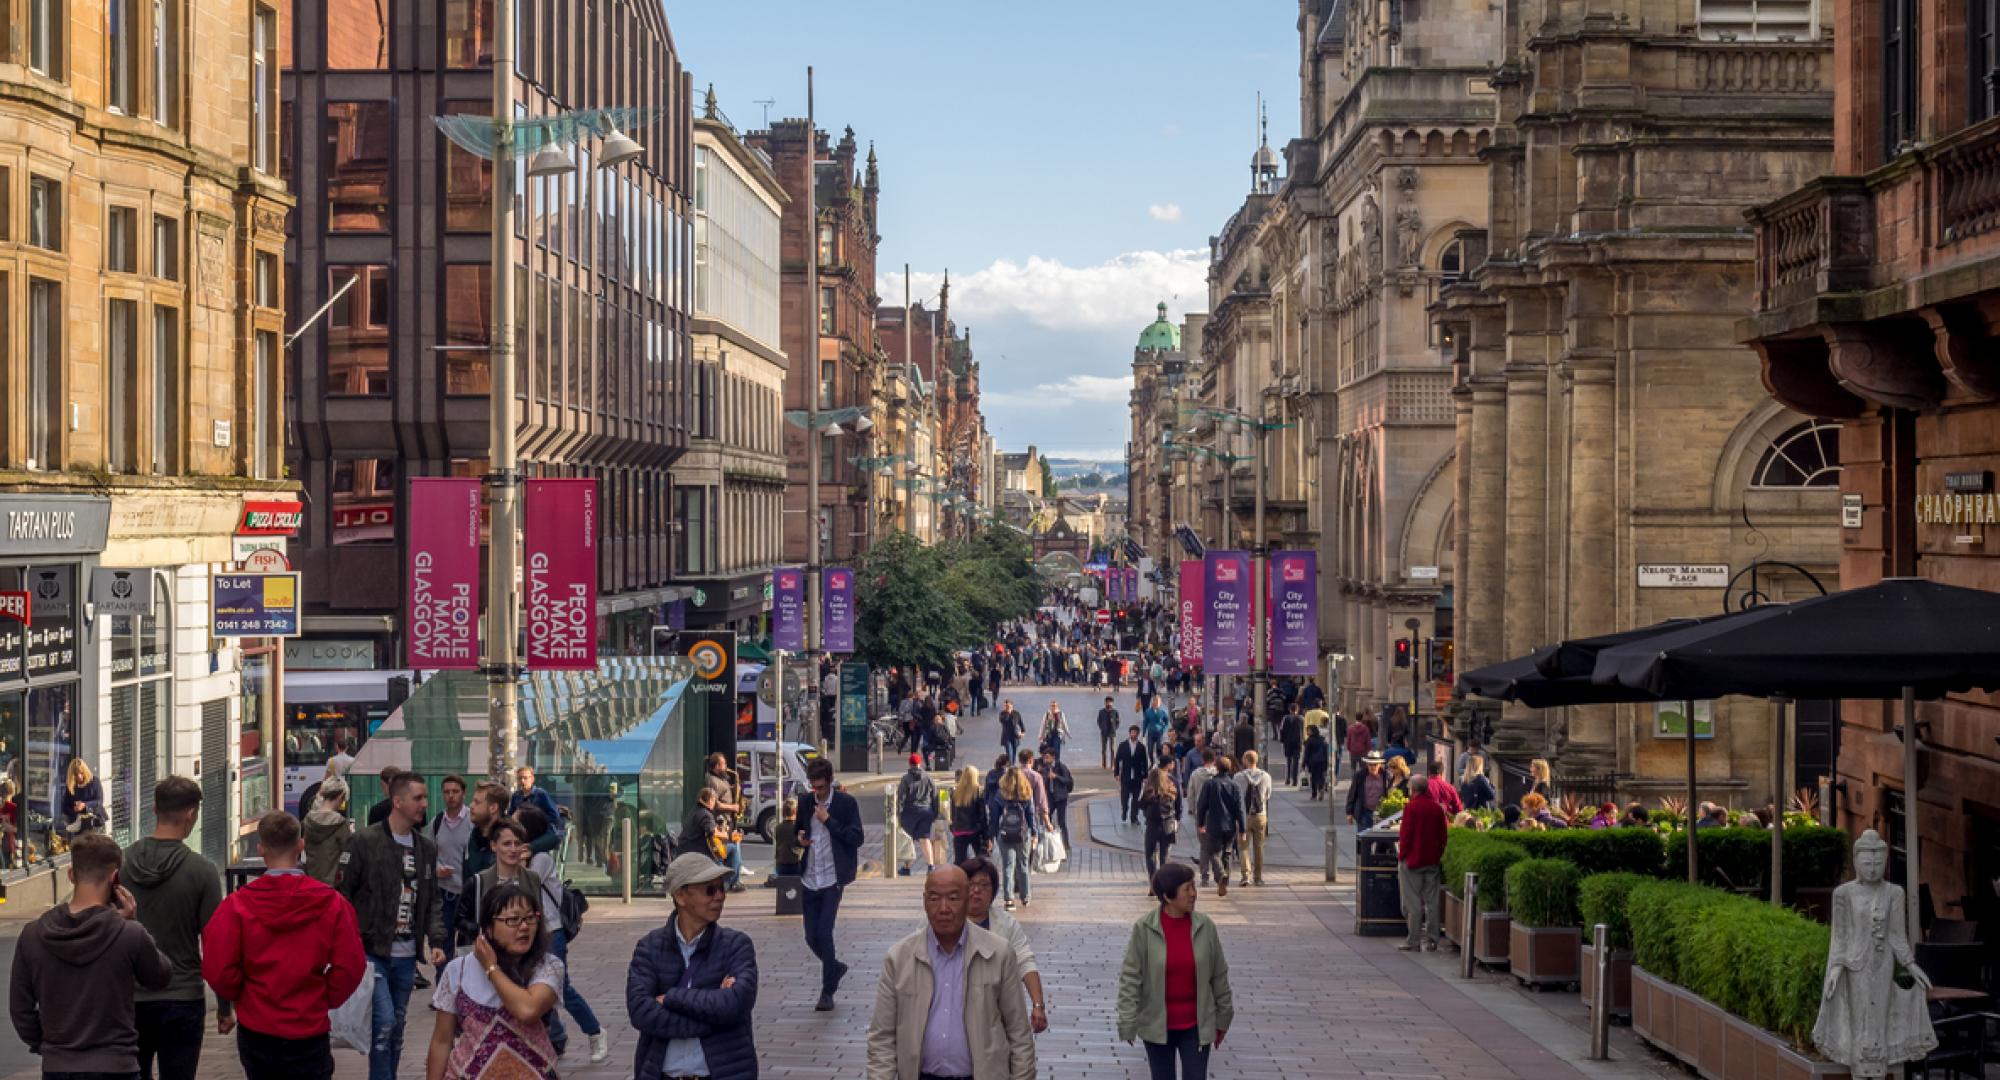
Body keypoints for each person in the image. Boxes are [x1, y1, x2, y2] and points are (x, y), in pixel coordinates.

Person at [203, 811, 367, 1080]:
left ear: (261, 848)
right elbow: (350, 964)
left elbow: (217, 966)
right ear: (300, 846)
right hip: (308, 1024)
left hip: (258, 1024)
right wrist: (325, 996)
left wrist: (241, 993)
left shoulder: (237, 905)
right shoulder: (331, 904)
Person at [9, 832, 172, 1076]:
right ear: (115, 877)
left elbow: (20, 1009)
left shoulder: (33, 935)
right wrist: (135, 923)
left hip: (59, 1066)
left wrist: (47, 1045)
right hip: (116, 1065)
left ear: (71, 875)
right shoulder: (129, 934)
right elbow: (159, 976)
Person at [864, 865, 1036, 1080]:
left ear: (966, 901)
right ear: (924, 901)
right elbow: (882, 1038)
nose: (943, 908)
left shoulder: (998, 953)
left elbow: (1019, 1034)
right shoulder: (899, 958)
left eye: (953, 898)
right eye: (934, 898)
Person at [333, 770, 450, 1080]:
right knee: (384, 1022)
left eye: (425, 797)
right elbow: (341, 895)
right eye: (418, 798)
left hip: (407, 955)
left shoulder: (425, 848)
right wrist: (348, 943)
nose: (425, 803)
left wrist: (436, 941)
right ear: (397, 801)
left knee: (396, 1026)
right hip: (372, 951)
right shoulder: (364, 842)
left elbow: (433, 899)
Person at [123, 776, 229, 1080]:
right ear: (191, 814)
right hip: (182, 995)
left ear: (154, 809)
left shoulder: (123, 862)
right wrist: (224, 1006)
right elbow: (214, 942)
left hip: (130, 998)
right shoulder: (202, 871)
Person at [626, 853, 760, 1080]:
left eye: (722, 889)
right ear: (681, 896)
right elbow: (641, 1013)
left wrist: (670, 999)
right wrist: (713, 1017)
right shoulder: (649, 947)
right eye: (710, 890)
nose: (719, 896)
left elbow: (736, 1003)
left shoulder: (736, 945)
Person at [421, 882, 563, 1079]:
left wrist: (491, 968)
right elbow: (442, 1041)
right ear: (488, 928)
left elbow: (528, 1010)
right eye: (513, 920)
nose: (524, 927)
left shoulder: (548, 966)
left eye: (530, 918)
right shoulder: (458, 970)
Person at [1117, 863, 1233, 1080]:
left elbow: (1219, 975)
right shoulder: (1144, 928)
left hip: (1196, 1026)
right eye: (1187, 888)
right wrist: (1127, 1019)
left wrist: (1224, 1017)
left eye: (1194, 887)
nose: (1193, 894)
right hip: (1157, 1026)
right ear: (1168, 896)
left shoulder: (1205, 927)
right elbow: (1131, 977)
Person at [517, 805, 607, 1063]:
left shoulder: (540, 859)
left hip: (550, 932)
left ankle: (595, 1031)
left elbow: (525, 883)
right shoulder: (530, 855)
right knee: (536, 988)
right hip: (531, 933)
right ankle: (554, 1038)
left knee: (561, 989)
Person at [795, 758, 864, 1011]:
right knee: (810, 936)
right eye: (814, 788)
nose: (818, 793)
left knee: (825, 932)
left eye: (822, 788)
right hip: (810, 877)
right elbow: (799, 830)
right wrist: (800, 838)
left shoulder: (846, 804)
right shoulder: (805, 802)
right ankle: (834, 967)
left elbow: (857, 838)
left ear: (830, 782)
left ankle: (827, 992)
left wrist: (827, 821)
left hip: (833, 878)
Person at [1397, 775, 1449, 952]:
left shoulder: (1411, 808)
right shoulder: (1436, 808)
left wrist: (1401, 856)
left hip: (1412, 860)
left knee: (1412, 903)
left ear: (1413, 789)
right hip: (1431, 860)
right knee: (1432, 901)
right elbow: (1443, 835)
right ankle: (1433, 939)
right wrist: (1438, 854)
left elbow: (1406, 835)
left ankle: (1413, 940)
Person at [431, 775, 474, 962]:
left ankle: (465, 985)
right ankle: (445, 981)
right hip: (444, 892)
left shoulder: (472, 820)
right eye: (447, 792)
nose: (451, 796)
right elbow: (430, 853)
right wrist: (436, 869)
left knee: (466, 945)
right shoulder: (437, 821)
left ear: (464, 793)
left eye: (455, 792)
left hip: (466, 893)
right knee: (444, 942)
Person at [1194, 756, 1243, 897]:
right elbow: (1240, 808)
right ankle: (1224, 881)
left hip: (1214, 824)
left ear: (1216, 767)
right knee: (1227, 853)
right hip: (1230, 825)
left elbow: (1202, 805)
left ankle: (1221, 875)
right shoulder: (1234, 785)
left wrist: (1201, 823)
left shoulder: (1210, 784)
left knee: (1213, 852)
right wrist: (1243, 827)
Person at [993, 766, 1040, 911]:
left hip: (1005, 834)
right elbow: (1031, 815)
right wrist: (1034, 834)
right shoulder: (1026, 793)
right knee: (1024, 865)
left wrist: (994, 833)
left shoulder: (1001, 794)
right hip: (1022, 834)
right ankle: (1025, 897)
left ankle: (1009, 899)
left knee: (1008, 866)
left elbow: (994, 817)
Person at [702, 754, 747, 887]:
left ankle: (734, 879)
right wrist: (733, 807)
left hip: (728, 819)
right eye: (724, 764)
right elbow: (715, 804)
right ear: (717, 766)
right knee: (726, 850)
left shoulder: (721, 778)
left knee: (733, 847)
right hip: (722, 821)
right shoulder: (712, 781)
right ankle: (731, 881)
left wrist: (733, 789)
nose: (727, 767)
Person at [895, 754, 940, 877]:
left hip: (909, 813)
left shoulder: (905, 779)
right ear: (920, 764)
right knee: (925, 839)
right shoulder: (928, 778)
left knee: (908, 839)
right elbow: (935, 796)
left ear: (910, 764)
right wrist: (935, 812)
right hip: (926, 811)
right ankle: (931, 866)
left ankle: (906, 867)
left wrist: (898, 814)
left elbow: (900, 799)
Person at [303, 777, 353, 884]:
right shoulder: (340, 823)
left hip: (311, 881)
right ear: (341, 796)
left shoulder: (308, 819)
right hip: (332, 884)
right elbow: (349, 851)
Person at [1234, 751, 1273, 888]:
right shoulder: (1266, 776)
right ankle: (1258, 877)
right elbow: (1268, 795)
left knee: (1243, 846)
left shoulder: (1238, 777)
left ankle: (1245, 875)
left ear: (1245, 760)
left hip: (1244, 816)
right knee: (1259, 847)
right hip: (1260, 815)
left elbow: (1235, 796)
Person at [1139, 767, 1183, 881]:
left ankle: (1153, 881)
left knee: (1150, 854)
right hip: (1167, 825)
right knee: (1165, 855)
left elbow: (1141, 805)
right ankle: (1163, 882)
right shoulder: (1171, 791)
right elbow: (1178, 806)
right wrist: (1177, 819)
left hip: (1152, 826)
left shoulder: (1149, 792)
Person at [1036, 747, 1075, 849]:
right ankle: (1049, 842)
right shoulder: (1044, 767)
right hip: (1050, 797)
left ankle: (1066, 844)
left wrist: (1056, 777)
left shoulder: (1061, 767)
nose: (1045, 760)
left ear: (1053, 757)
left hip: (1061, 798)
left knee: (1061, 821)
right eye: (1044, 757)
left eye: (1047, 757)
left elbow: (1068, 781)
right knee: (1046, 818)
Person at [949, 766, 988, 863]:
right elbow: (982, 816)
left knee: (959, 860)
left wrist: (953, 828)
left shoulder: (956, 792)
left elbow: (953, 814)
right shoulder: (978, 792)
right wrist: (986, 836)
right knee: (981, 860)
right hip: (975, 831)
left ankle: (960, 876)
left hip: (959, 830)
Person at [1345, 751, 1388, 832]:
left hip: (1382, 814)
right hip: (1364, 812)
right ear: (1366, 764)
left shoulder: (1386, 776)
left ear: (1380, 764)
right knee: (1364, 839)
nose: (1372, 767)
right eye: (1370, 764)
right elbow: (1352, 794)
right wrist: (1349, 812)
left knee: (1382, 840)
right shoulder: (1360, 776)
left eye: (1375, 764)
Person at [1116, 725, 1151, 824]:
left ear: (1138, 734)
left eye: (1135, 733)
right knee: (1125, 797)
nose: (1133, 734)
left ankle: (1134, 817)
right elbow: (1117, 760)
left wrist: (1145, 776)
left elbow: (1144, 762)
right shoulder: (1123, 745)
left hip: (1137, 776)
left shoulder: (1141, 747)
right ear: (1129, 733)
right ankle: (1124, 811)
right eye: (1132, 732)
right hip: (1126, 776)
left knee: (1136, 798)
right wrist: (1116, 773)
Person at [62, 758, 105, 835]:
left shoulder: (94, 781)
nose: (79, 776)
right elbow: (65, 807)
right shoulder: (71, 786)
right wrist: (74, 811)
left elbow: (99, 801)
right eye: (76, 774)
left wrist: (85, 805)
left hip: (95, 822)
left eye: (81, 773)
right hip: (79, 826)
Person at [1302, 725, 1331, 801]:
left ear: (1312, 731)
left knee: (1313, 777)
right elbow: (1326, 751)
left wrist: (1304, 764)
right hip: (1322, 761)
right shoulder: (1322, 739)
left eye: (1308, 730)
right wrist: (1327, 762)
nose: (1307, 732)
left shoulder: (1309, 740)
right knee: (1321, 776)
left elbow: (1306, 753)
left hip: (1312, 762)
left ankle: (1314, 794)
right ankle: (1321, 788)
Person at [1278, 707, 1304, 787]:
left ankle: (1288, 779)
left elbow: (1281, 729)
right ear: (1297, 710)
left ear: (1290, 710)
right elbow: (1304, 730)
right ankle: (1295, 780)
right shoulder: (1301, 719)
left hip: (1288, 742)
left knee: (1288, 760)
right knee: (1296, 761)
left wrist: (1282, 740)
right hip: (1297, 742)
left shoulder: (1286, 718)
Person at [997, 699, 1025, 764]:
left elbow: (1021, 723)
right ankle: (1010, 766)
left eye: (1008, 706)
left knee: (1014, 753)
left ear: (1012, 706)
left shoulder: (1016, 713)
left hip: (1015, 736)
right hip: (1007, 737)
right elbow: (1003, 721)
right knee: (1009, 753)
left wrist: (1023, 732)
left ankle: (1012, 766)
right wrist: (1008, 713)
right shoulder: (1002, 714)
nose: (1007, 708)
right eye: (1005, 706)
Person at [1097, 695, 1121, 769]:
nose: (1108, 703)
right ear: (1105, 703)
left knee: (1112, 749)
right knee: (1104, 749)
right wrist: (1101, 728)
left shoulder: (1115, 712)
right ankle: (1104, 764)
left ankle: (1112, 765)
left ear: (1112, 703)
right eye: (1107, 702)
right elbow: (1098, 721)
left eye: (1110, 702)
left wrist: (1115, 728)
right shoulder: (1101, 711)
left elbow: (1118, 721)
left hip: (1112, 732)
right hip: (1104, 732)